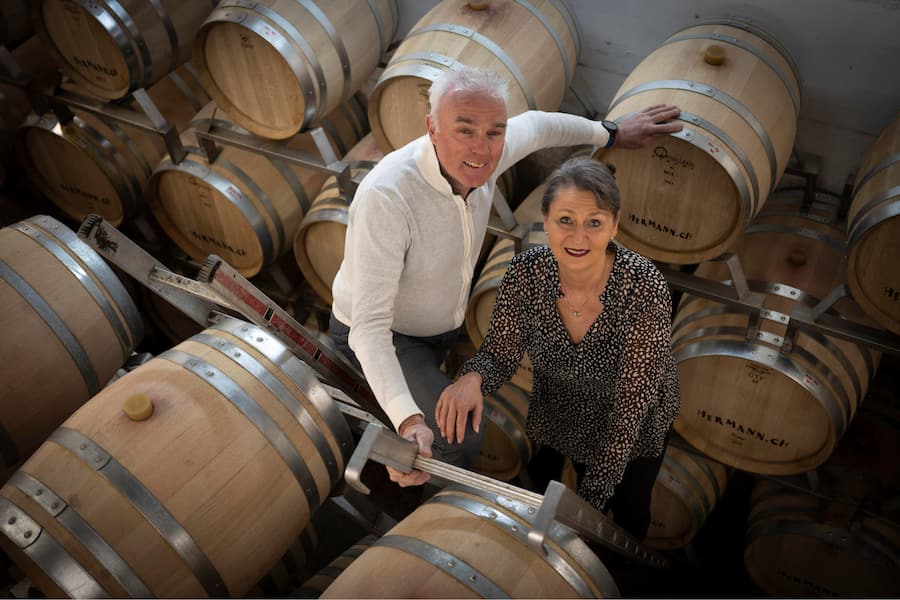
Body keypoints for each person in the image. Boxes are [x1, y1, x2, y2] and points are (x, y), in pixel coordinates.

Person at [329, 64, 682, 488]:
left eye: (494, 131)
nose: (482, 148)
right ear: (432, 128)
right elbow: (369, 330)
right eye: (465, 130)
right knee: (458, 436)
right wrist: (408, 422)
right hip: (389, 336)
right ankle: (428, 528)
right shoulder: (388, 197)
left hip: (436, 331)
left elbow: (535, 126)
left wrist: (610, 132)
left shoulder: (483, 156)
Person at [436, 156, 681, 540]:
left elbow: (630, 407)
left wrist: (586, 506)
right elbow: (499, 352)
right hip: (562, 397)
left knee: (630, 508)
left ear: (614, 225)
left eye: (594, 223)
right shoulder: (525, 274)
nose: (579, 237)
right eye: (565, 220)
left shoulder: (644, 287)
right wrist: (471, 378)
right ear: (546, 221)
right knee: (554, 472)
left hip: (633, 420)